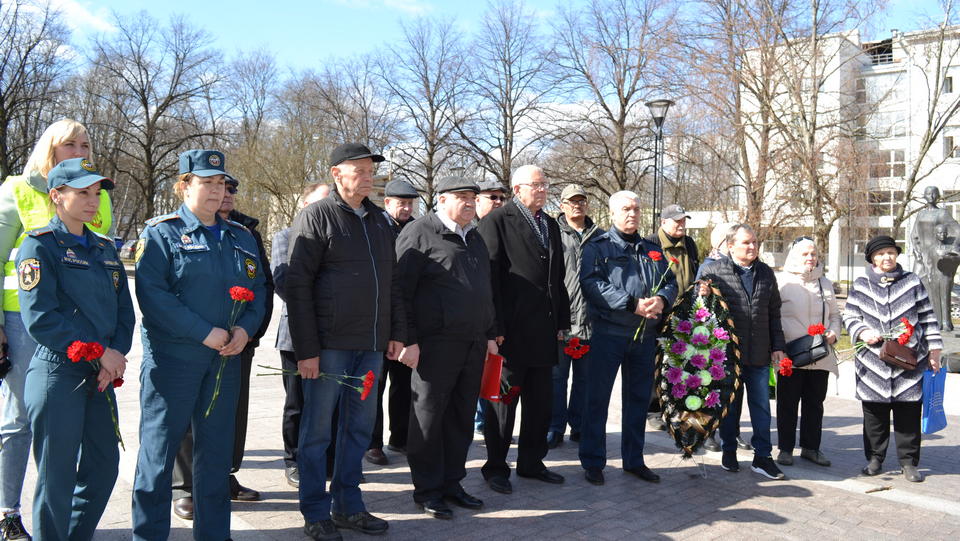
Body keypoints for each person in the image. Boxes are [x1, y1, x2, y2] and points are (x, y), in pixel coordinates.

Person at [131, 149, 267, 540]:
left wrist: (245, 330)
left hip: (225, 361)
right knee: (158, 458)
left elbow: (257, 292)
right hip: (174, 360)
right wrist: (202, 332)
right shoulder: (161, 233)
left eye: (220, 183)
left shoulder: (240, 236)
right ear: (183, 186)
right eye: (206, 182)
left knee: (216, 456)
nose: (215, 190)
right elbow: (153, 296)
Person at [0, 119, 114, 541]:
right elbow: (32, 300)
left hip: (95, 348)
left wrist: (112, 350)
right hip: (32, 332)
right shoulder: (17, 194)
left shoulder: (99, 222)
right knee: (25, 428)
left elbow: (117, 296)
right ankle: (8, 512)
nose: (82, 150)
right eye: (72, 144)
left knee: (97, 457)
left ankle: (70, 531)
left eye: (86, 144)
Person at [286, 143, 405, 541]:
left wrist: (395, 333)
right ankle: (315, 511)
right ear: (337, 173)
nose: (370, 176)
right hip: (329, 347)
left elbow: (394, 285)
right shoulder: (316, 216)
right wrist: (307, 350)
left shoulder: (379, 221)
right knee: (317, 433)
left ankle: (348, 506)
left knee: (358, 430)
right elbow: (297, 286)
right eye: (361, 170)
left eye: (372, 170)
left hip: (370, 347)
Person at [17, 158, 132, 540]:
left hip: (100, 374)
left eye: (96, 193)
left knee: (103, 467)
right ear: (56, 196)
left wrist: (113, 355)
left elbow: (124, 313)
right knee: (57, 477)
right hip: (58, 373)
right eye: (82, 192)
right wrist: (100, 353)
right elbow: (41, 317)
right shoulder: (40, 246)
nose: (92, 200)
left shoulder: (103, 247)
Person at [170, 173, 275, 519]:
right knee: (188, 419)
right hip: (192, 343)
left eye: (230, 188)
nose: (225, 193)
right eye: (217, 187)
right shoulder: (172, 231)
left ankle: (223, 475)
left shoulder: (246, 234)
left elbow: (263, 286)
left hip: (237, 343)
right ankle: (185, 487)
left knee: (230, 414)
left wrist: (249, 333)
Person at [395, 176, 497, 519]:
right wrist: (408, 340)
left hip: (471, 344)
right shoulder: (419, 233)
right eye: (462, 196)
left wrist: (490, 334)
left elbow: (484, 290)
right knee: (428, 417)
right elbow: (400, 292)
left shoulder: (475, 238)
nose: (470, 202)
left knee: (460, 417)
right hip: (433, 345)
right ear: (441, 200)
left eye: (473, 197)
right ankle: (427, 490)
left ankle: (453, 482)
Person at [478, 164, 570, 495]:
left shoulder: (549, 225)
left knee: (540, 403)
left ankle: (531, 462)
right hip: (510, 333)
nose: (544, 190)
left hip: (544, 331)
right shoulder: (497, 222)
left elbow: (556, 278)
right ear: (517, 189)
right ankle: (496, 467)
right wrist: (494, 326)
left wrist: (562, 321)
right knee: (503, 404)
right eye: (537, 185)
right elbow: (489, 279)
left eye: (546, 184)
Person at [578, 191, 678, 486]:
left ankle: (634, 460)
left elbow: (670, 280)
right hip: (609, 333)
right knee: (597, 400)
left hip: (644, 336)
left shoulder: (651, 249)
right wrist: (630, 303)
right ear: (612, 213)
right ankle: (593, 461)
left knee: (637, 401)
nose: (632, 214)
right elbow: (591, 284)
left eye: (636, 208)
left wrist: (661, 299)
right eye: (625, 209)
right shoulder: (598, 247)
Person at [843, 235, 943, 482]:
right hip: (872, 361)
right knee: (874, 416)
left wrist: (934, 351)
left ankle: (908, 462)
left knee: (908, 413)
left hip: (909, 361)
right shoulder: (861, 284)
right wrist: (863, 331)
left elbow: (928, 317)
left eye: (890, 252)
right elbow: (850, 315)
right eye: (880, 254)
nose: (886, 257)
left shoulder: (912, 282)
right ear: (872, 258)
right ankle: (875, 459)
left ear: (897, 255)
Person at [697, 224, 786, 480]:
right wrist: (701, 293)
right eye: (746, 242)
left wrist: (778, 346)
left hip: (759, 353)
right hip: (726, 356)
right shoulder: (713, 271)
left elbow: (774, 312)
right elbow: (697, 307)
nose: (752, 247)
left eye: (754, 242)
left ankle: (763, 457)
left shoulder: (766, 273)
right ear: (731, 245)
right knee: (730, 407)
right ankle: (729, 451)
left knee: (761, 407)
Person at [273, 182, 331, 488]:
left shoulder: (339, 239)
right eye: (318, 203)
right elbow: (285, 283)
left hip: (335, 336)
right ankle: (293, 459)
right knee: (297, 403)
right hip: (295, 336)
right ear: (304, 206)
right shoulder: (285, 237)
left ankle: (326, 459)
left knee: (329, 402)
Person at [774, 237, 841, 467]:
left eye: (813, 254)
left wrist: (834, 333)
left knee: (815, 403)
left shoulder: (825, 283)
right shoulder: (782, 281)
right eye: (805, 254)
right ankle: (785, 449)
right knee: (787, 403)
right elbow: (773, 317)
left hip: (819, 354)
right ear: (794, 256)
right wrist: (778, 348)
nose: (810, 258)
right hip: (790, 355)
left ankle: (811, 448)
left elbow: (834, 315)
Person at [366, 179, 418, 467]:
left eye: (411, 203)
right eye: (401, 203)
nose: (407, 208)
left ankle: (400, 437)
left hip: (406, 320)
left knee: (404, 383)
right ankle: (372, 443)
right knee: (375, 384)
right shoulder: (376, 227)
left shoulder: (417, 227)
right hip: (379, 319)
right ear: (387, 203)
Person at [548, 184, 602, 449]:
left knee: (585, 380)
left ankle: (578, 426)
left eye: (581, 201)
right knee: (557, 379)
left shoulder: (599, 236)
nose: (577, 205)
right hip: (562, 321)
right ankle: (555, 427)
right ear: (562, 205)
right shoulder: (552, 233)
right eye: (571, 201)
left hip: (591, 322)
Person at [645, 204, 700, 432]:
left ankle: (676, 408)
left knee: (680, 365)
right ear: (663, 222)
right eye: (677, 221)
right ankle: (654, 410)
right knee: (656, 364)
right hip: (659, 313)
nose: (681, 225)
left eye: (683, 220)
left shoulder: (689, 244)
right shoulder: (650, 243)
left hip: (685, 314)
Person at [473, 178, 509, 434]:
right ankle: (477, 421)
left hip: (495, 315)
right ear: (477, 200)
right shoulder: (470, 230)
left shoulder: (505, 229)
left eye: (501, 198)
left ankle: (485, 421)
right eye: (491, 197)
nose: (498, 202)